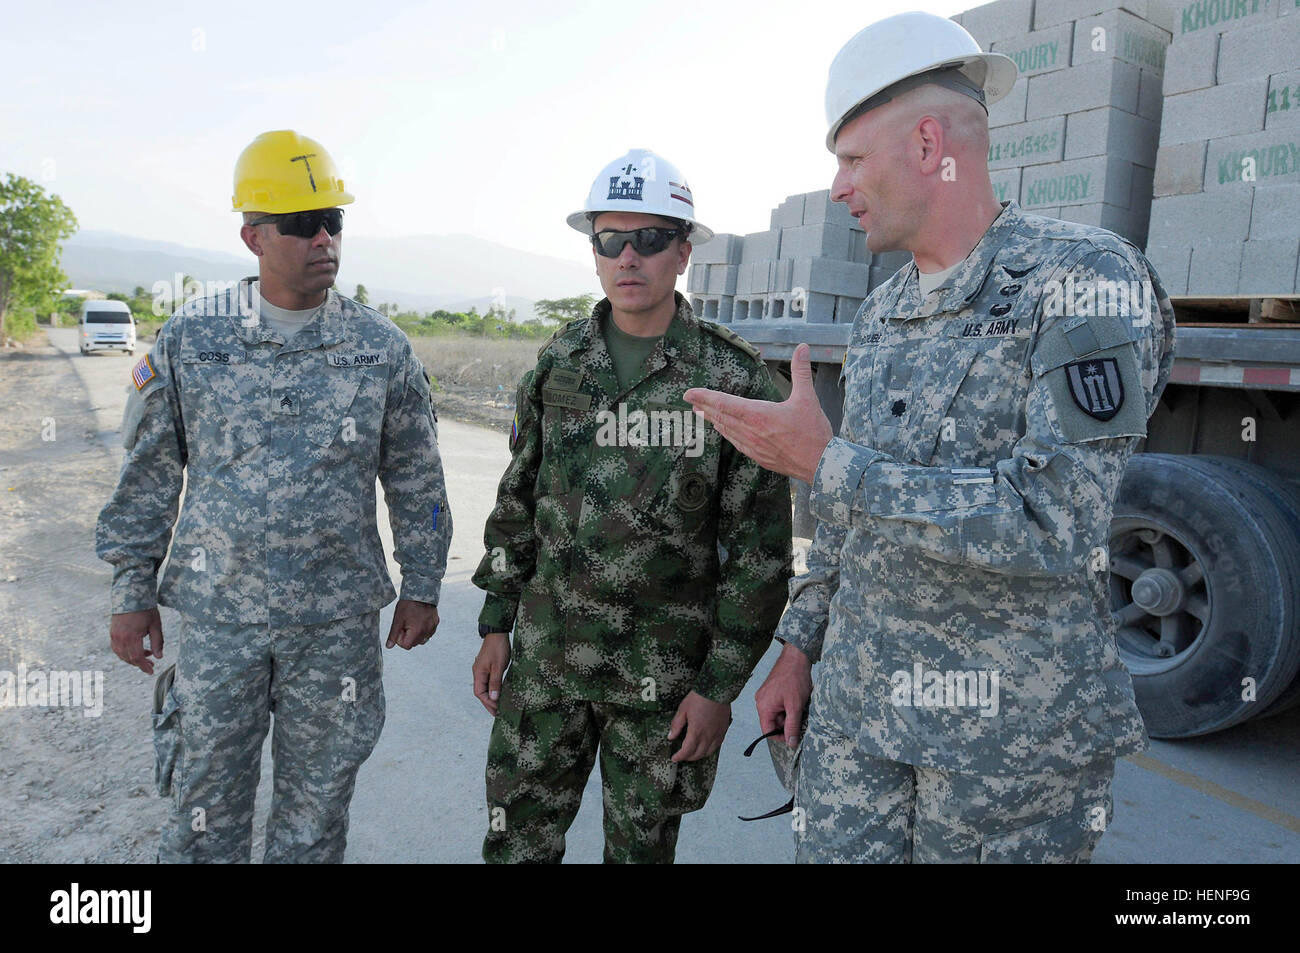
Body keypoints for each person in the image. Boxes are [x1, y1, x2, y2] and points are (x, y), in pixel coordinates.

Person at [686, 12, 1175, 863]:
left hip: (1003, 751)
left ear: (924, 144)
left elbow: (1054, 520)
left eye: (850, 160)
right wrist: (799, 646)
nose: (839, 187)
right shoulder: (882, 312)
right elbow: (842, 522)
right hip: (858, 719)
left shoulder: (1083, 281)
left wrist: (830, 463)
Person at [96, 129, 452, 863]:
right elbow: (151, 474)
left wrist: (423, 583)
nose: (323, 237)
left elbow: (417, 475)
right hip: (221, 615)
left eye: (334, 221)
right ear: (253, 236)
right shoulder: (196, 338)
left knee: (315, 814)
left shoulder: (379, 347)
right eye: (300, 224)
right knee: (203, 805)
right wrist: (131, 590)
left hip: (335, 626)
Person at [471, 148, 792, 863]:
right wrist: (496, 622)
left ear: (682, 251)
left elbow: (761, 556)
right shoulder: (557, 363)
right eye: (610, 239)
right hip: (547, 667)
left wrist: (718, 688)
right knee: (514, 847)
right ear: (593, 252)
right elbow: (517, 501)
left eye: (649, 239)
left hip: (659, 687)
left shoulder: (733, 380)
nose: (628, 257)